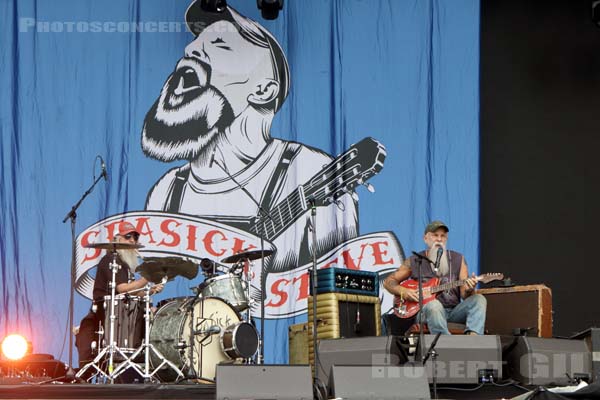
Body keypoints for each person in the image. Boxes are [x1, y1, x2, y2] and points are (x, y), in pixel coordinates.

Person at [141, 2, 358, 276]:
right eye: (196, 42)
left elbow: (335, 289)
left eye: (220, 44)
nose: (190, 50)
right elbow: (155, 283)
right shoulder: (168, 190)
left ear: (264, 90)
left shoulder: (311, 171)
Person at [76, 222, 163, 369]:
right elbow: (123, 289)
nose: (132, 241)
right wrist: (147, 277)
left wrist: (151, 290)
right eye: (128, 236)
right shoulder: (111, 260)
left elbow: (130, 291)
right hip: (105, 313)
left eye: (135, 237)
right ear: (117, 239)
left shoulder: (126, 264)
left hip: (120, 311)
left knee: (152, 311)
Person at [383, 221, 486, 335]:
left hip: (453, 311)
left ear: (446, 239)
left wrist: (470, 289)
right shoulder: (415, 260)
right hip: (426, 311)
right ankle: (446, 345)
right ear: (425, 238)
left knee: (479, 299)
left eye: (443, 236)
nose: (439, 239)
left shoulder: (458, 259)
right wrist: (404, 291)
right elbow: (388, 282)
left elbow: (464, 295)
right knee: (434, 305)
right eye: (435, 235)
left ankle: (474, 340)